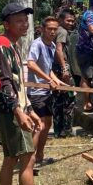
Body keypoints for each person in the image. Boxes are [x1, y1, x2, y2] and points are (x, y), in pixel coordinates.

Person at [0, 2, 60, 185]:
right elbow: (5, 83)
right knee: (28, 160)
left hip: (11, 109)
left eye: (25, 20)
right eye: (18, 20)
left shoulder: (12, 46)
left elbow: (18, 85)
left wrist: (29, 109)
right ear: (6, 24)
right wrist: (19, 112)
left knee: (10, 159)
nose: (24, 24)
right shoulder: (1, 45)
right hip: (10, 112)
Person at [27, 16, 64, 169]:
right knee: (39, 125)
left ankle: (40, 156)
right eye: (49, 29)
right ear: (42, 29)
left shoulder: (52, 46)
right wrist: (48, 80)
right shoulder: (37, 44)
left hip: (46, 92)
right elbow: (30, 64)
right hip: (36, 92)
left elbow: (48, 70)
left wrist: (58, 81)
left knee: (47, 124)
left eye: (55, 29)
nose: (52, 32)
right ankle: (30, 161)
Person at [52, 9, 77, 137]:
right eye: (68, 20)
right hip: (62, 68)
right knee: (69, 98)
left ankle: (58, 130)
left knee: (58, 99)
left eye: (72, 21)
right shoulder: (62, 31)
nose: (71, 23)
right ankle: (66, 130)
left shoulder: (57, 30)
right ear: (61, 20)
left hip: (56, 68)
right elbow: (59, 49)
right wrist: (64, 69)